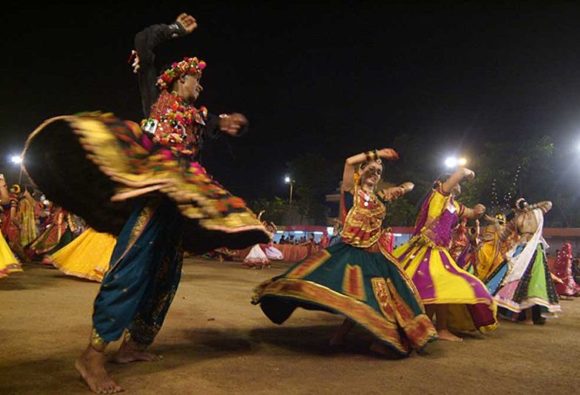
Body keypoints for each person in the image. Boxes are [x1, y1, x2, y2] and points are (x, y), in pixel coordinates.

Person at [22, 13, 269, 394]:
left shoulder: (200, 117)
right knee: (132, 266)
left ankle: (132, 346)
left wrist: (235, 123)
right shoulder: (156, 96)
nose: (200, 86)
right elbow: (142, 44)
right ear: (178, 79)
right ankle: (93, 354)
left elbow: (224, 124)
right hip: (154, 192)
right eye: (195, 79)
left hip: (181, 198)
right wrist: (174, 30)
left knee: (166, 274)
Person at [253, 148, 437, 357]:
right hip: (351, 251)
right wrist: (378, 154)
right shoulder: (352, 190)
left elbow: (410, 186)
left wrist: (402, 188)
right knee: (358, 295)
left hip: (376, 254)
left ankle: (343, 336)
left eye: (379, 172)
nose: (375, 173)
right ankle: (357, 337)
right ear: (362, 170)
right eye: (371, 169)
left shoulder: (380, 197)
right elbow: (349, 162)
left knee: (377, 297)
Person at [393, 168, 497, 341]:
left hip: (440, 251)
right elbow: (455, 178)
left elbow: (470, 213)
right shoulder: (439, 194)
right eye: (454, 182)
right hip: (427, 249)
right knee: (428, 286)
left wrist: (477, 211)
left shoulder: (453, 204)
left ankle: (438, 328)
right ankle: (421, 327)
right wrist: (464, 172)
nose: (457, 186)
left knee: (440, 288)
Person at [492, 198, 560, 324]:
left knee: (531, 279)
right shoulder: (516, 220)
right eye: (519, 204)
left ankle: (530, 317)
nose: (523, 205)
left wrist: (531, 206)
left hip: (535, 248)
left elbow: (549, 203)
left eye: (523, 202)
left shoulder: (537, 212)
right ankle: (516, 314)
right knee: (513, 278)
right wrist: (497, 225)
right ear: (515, 209)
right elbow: (502, 237)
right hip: (521, 249)